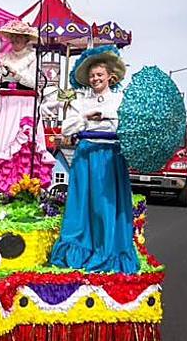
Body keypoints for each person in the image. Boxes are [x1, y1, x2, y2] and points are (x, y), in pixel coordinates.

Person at [49, 47, 138, 274]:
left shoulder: (120, 100)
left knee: (105, 205)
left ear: (110, 76)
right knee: (82, 203)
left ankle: (108, 250)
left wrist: (106, 115)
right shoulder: (81, 101)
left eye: (100, 74)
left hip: (111, 156)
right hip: (86, 155)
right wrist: (86, 117)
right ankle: (81, 250)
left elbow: (127, 125)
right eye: (92, 75)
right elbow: (67, 127)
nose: (95, 78)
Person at [0, 19, 55, 192]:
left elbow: (36, 83)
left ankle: (26, 183)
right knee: (5, 140)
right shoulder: (5, 57)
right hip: (7, 104)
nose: (15, 42)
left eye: (19, 39)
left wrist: (17, 74)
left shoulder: (32, 58)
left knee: (23, 138)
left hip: (25, 103)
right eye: (13, 39)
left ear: (26, 40)